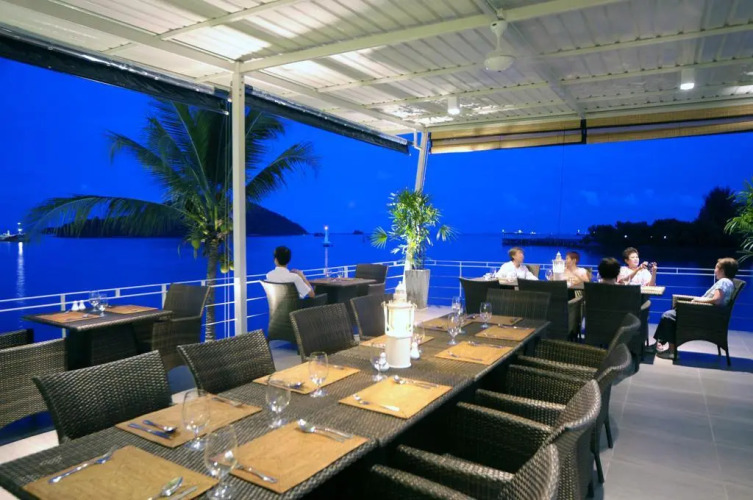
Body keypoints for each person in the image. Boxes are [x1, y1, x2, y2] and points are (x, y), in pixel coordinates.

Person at [654, 257, 738, 358]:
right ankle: (659, 343)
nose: (715, 270)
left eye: (716, 268)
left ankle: (671, 351)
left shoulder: (724, 282)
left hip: (702, 316)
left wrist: (698, 300)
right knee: (670, 314)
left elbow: (717, 300)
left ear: (722, 270)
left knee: (668, 316)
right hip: (707, 314)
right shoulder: (729, 283)